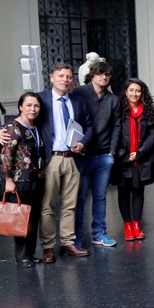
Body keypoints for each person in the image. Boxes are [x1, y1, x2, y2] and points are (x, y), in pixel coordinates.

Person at [40, 64, 94, 261]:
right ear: (51, 78)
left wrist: (83, 143)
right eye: (60, 75)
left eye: (69, 76)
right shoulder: (41, 99)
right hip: (51, 159)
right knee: (48, 205)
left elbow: (89, 125)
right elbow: (23, 115)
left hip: (73, 159)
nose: (65, 79)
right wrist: (4, 128)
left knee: (70, 205)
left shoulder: (77, 102)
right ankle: (47, 246)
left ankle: (67, 243)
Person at [73, 61, 121, 247]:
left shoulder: (113, 100)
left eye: (108, 75)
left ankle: (99, 233)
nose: (104, 77)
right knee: (81, 197)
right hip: (82, 154)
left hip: (103, 155)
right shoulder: (79, 93)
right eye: (101, 74)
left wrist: (112, 150)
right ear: (92, 75)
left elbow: (116, 125)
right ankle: (76, 236)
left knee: (100, 196)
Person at [1, 92, 45, 268]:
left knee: (33, 217)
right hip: (19, 182)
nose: (32, 109)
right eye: (28, 105)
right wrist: (8, 179)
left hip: (35, 180)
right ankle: (22, 257)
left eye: (36, 106)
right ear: (20, 107)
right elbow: (6, 156)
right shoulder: (13, 128)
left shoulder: (35, 126)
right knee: (21, 219)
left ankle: (31, 253)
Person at [113, 78, 154, 241]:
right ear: (125, 92)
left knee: (138, 192)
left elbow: (152, 135)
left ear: (142, 93)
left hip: (141, 158)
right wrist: (124, 154)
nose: (134, 93)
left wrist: (139, 153)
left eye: (138, 91)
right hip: (122, 159)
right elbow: (114, 134)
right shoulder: (119, 110)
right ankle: (127, 225)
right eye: (131, 90)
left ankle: (137, 225)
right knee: (124, 192)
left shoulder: (147, 110)